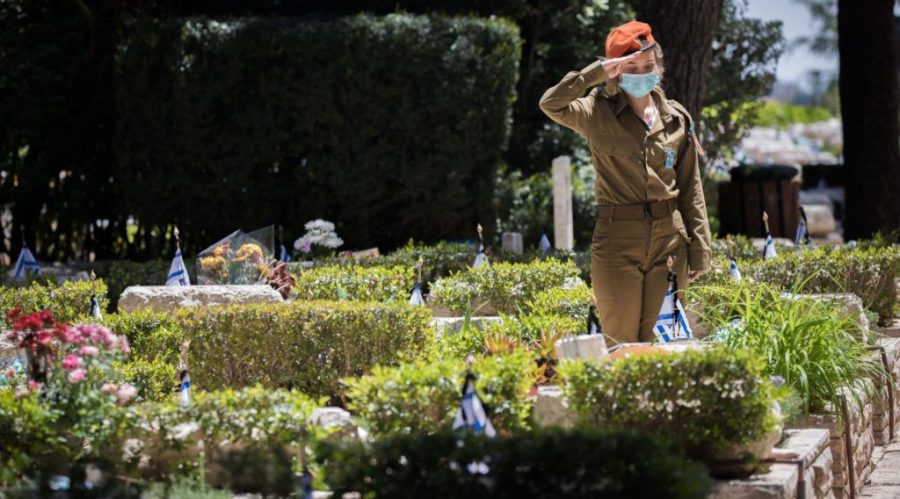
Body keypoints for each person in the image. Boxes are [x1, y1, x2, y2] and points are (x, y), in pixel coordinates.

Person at [538, 20, 712, 345]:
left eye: (649, 65)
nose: (642, 73)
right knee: (620, 344)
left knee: (663, 342)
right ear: (615, 70)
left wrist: (700, 247)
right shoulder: (594, 111)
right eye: (631, 66)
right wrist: (595, 73)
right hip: (618, 240)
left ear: (659, 66)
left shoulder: (676, 118)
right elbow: (550, 104)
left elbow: (690, 187)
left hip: (670, 242)